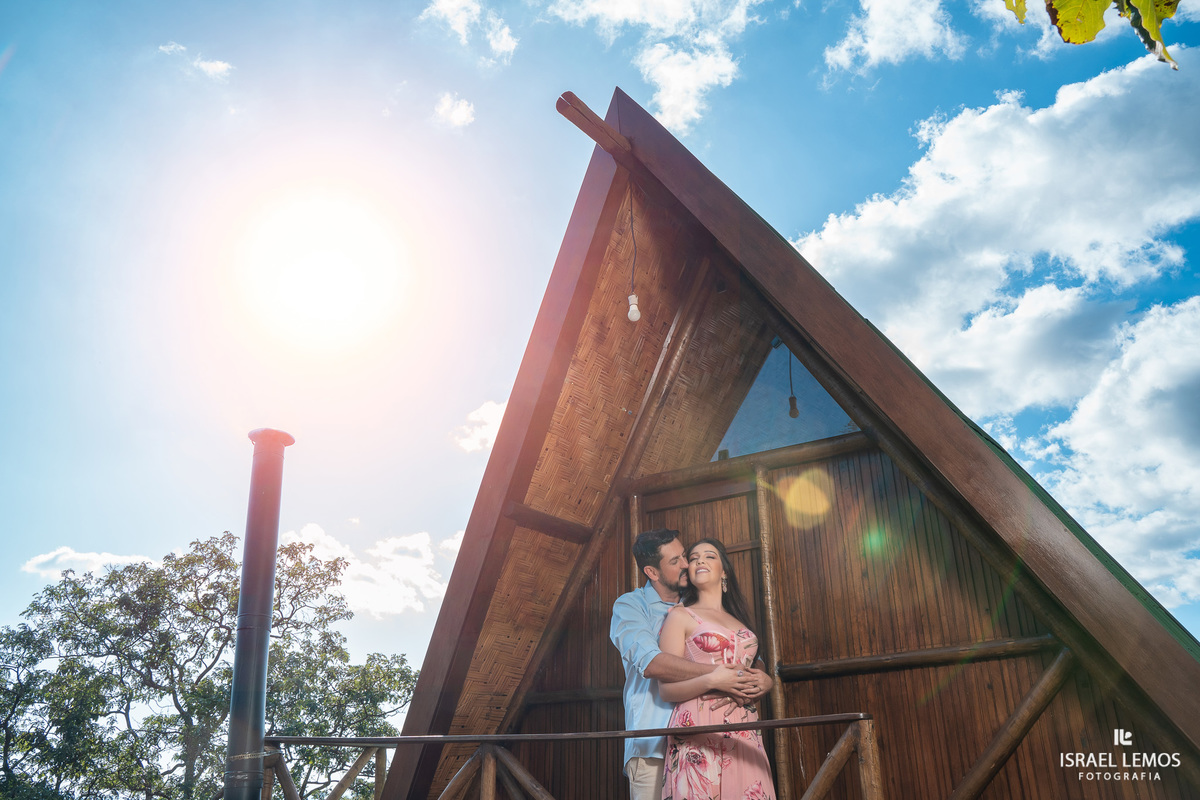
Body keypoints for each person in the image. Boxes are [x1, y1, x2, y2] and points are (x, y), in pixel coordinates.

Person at [611, 529, 770, 800]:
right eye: (676, 561)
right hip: (654, 744)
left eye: (685, 555)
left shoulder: (696, 604)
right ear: (652, 572)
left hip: (718, 733)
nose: (687, 564)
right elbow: (653, 664)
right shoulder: (631, 606)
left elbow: (742, 652)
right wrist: (720, 677)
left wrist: (763, 676)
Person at [658, 538, 776, 800]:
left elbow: (752, 666)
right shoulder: (680, 616)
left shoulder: (739, 619)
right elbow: (665, 690)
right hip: (698, 723)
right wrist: (713, 680)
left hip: (743, 725)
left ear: (724, 571)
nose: (700, 560)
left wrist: (766, 682)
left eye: (709, 556)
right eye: (695, 557)